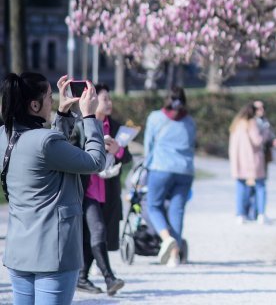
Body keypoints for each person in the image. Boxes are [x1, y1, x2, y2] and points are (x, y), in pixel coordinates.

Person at [0, 74, 106, 305]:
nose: (53, 101)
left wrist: (63, 114)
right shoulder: (45, 142)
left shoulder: (3, 136)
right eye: (50, 97)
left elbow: (48, 150)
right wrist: (89, 116)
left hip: (19, 252)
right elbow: (96, 162)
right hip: (53, 255)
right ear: (34, 105)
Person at [70, 83, 131, 296]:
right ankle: (109, 278)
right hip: (87, 191)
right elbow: (71, 154)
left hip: (108, 190)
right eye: (105, 99)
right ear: (92, 101)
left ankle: (81, 277)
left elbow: (128, 157)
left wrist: (119, 151)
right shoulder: (80, 126)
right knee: (97, 231)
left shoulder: (115, 127)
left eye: (109, 99)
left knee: (91, 236)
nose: (109, 103)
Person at [144, 86, 196, 267]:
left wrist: (145, 166)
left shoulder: (155, 118)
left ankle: (166, 239)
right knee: (177, 210)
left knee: (154, 205)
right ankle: (174, 255)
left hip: (161, 167)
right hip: (185, 170)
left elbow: (148, 146)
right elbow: (192, 145)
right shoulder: (189, 121)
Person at [229, 102, 270, 224]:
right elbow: (257, 141)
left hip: (238, 160)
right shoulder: (251, 123)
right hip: (252, 160)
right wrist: (265, 132)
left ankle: (240, 214)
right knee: (260, 185)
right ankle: (261, 215)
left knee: (240, 187)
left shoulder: (236, 124)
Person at [251, 100, 276, 221]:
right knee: (252, 186)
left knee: (261, 184)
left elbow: (271, 135)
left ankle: (260, 213)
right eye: (258, 108)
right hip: (252, 159)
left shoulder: (266, 122)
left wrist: (274, 140)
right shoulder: (251, 123)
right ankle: (251, 212)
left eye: (262, 108)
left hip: (264, 157)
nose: (261, 110)